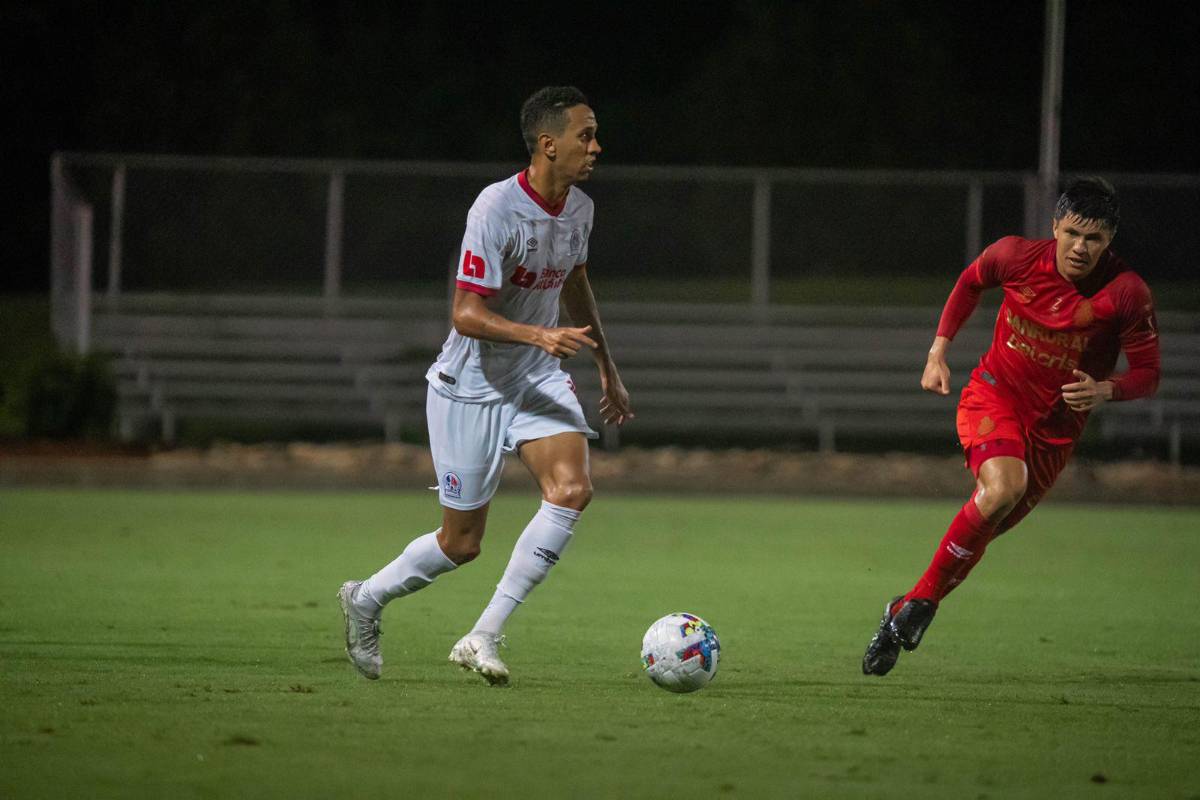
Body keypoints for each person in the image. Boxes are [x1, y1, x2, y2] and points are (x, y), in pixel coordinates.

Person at [339, 86, 632, 685]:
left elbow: (575, 281)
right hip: (468, 385)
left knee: (572, 490)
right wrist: (535, 334)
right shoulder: (495, 208)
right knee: (461, 543)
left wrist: (606, 363)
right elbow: (465, 314)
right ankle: (365, 599)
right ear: (549, 144)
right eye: (586, 134)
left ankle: (482, 635)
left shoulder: (580, 209)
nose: (596, 146)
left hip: (536, 377)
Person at [862, 177, 1160, 676]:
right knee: (1003, 488)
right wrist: (938, 352)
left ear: (1110, 241)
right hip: (994, 394)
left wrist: (1107, 389)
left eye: (1095, 239)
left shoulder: (1126, 293)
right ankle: (924, 608)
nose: (1081, 248)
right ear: (1055, 227)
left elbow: (1149, 374)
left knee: (989, 523)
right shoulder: (1015, 256)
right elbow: (969, 282)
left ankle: (903, 610)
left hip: (1055, 430)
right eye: (1072, 234)